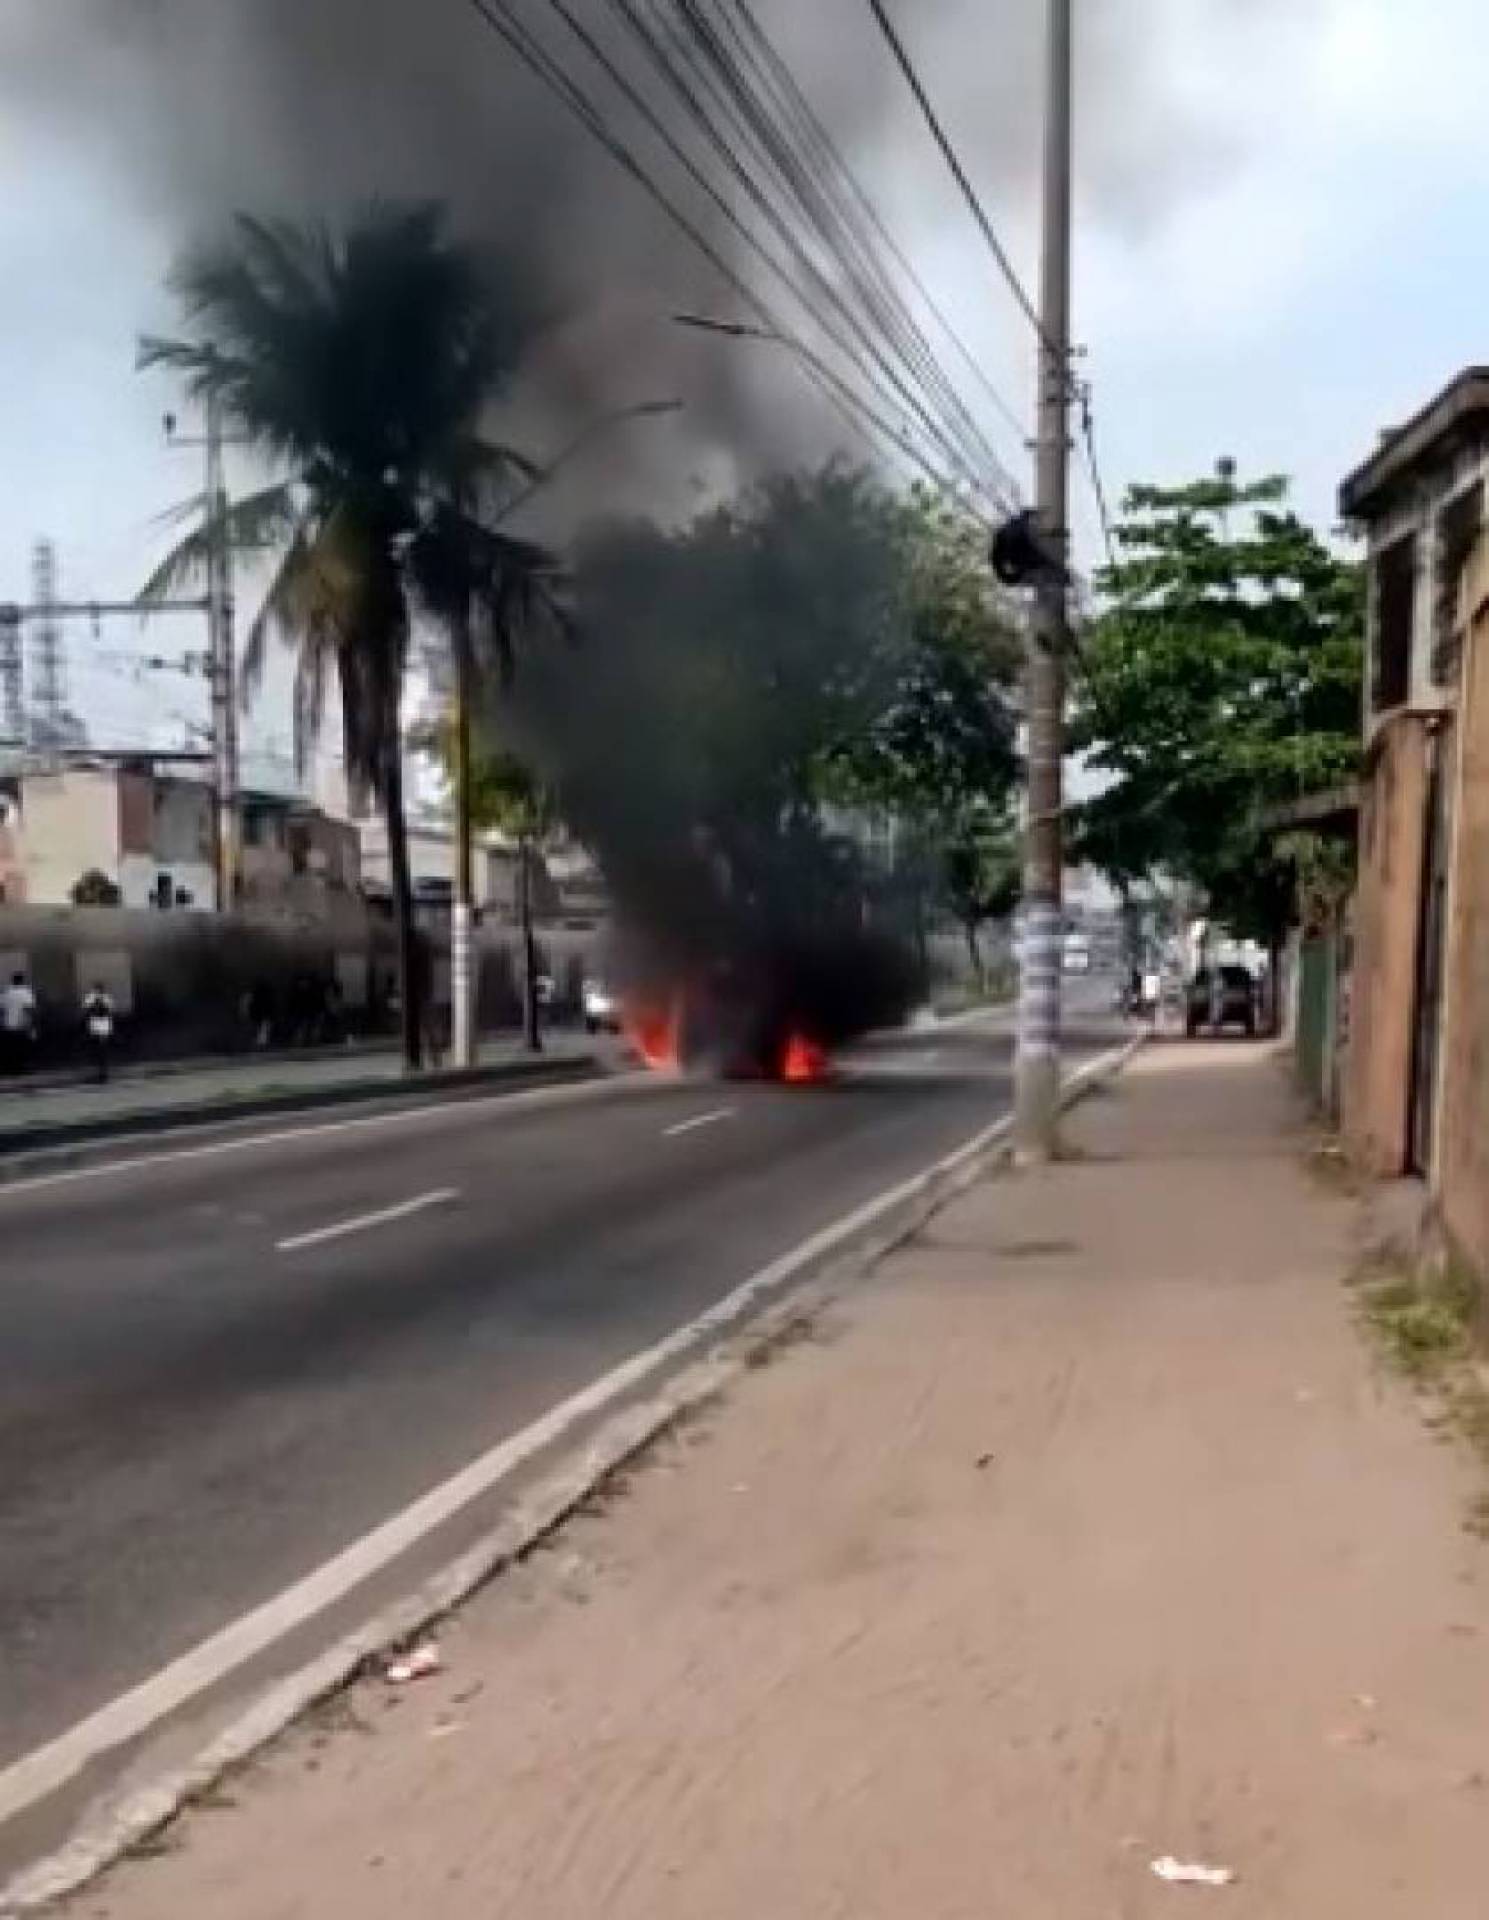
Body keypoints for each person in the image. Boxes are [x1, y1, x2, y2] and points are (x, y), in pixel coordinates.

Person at [1, 969, 37, 1075]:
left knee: (11, 1049)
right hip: (21, 1025)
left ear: (12, 981)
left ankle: (11, 1069)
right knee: (23, 1049)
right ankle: (22, 1069)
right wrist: (32, 1025)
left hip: (8, 1025)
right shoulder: (25, 993)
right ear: (22, 981)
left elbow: (2, 1008)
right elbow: (29, 1009)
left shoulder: (6, 992)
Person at [81, 980, 115, 1083]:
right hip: (96, 1024)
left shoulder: (105, 998)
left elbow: (110, 1008)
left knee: (102, 1049)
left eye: (98, 989)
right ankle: (98, 1071)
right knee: (96, 1048)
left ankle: (103, 1072)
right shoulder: (92, 997)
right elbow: (85, 1006)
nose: (98, 991)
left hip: (102, 1024)